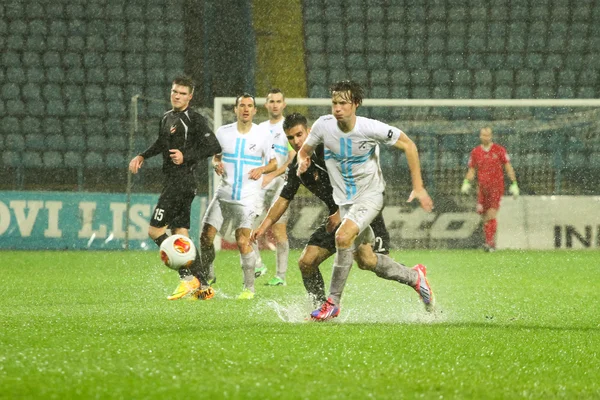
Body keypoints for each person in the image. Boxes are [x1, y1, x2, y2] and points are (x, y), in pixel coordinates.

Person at [296, 81, 435, 321]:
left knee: (342, 237)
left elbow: (409, 145)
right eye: (334, 103)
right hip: (346, 203)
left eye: (343, 103)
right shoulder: (322, 126)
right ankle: (415, 277)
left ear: (356, 104)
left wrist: (419, 187)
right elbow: (304, 150)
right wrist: (302, 160)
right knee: (367, 260)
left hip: (370, 197)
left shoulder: (370, 128)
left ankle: (332, 303)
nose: (337, 108)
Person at [251, 112, 393, 305]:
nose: (296, 141)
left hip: (362, 213)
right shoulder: (297, 168)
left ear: (309, 131)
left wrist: (340, 212)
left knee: (367, 262)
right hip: (336, 220)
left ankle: (414, 277)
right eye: (291, 138)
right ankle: (320, 308)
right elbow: (284, 199)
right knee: (306, 262)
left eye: (300, 135)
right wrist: (264, 226)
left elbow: (357, 182)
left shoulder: (330, 151)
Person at [128, 76, 221, 300]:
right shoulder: (167, 118)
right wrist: (143, 155)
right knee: (181, 234)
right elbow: (161, 143)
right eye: (174, 91)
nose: (176, 96)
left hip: (182, 182)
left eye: (181, 93)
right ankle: (204, 287)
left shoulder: (194, 119)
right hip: (175, 182)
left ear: (190, 96)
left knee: (155, 230)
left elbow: (213, 146)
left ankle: (187, 278)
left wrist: (186, 156)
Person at [198, 93, 277, 300]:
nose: (245, 109)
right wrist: (216, 164)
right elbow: (216, 158)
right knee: (205, 237)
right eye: (242, 105)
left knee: (243, 242)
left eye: (249, 106)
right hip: (224, 193)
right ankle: (207, 276)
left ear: (254, 110)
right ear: (235, 109)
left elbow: (274, 163)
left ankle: (249, 289)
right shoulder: (223, 132)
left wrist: (262, 169)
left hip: (248, 197)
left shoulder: (263, 134)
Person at [253, 88, 296, 286]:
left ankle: (281, 276)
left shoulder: (289, 127)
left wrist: (272, 175)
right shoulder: (259, 128)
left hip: (281, 183)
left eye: (279, 101)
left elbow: (292, 159)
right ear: (266, 104)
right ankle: (258, 264)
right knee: (247, 224)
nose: (275, 104)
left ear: (284, 104)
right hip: (261, 182)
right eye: (272, 101)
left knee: (279, 231)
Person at [461, 127, 519, 252]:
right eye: (483, 135)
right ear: (480, 136)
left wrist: (514, 183)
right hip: (482, 189)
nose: (485, 137)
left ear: (491, 136)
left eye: (487, 135)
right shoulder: (476, 152)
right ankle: (489, 243)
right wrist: (466, 182)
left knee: (491, 215)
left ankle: (489, 244)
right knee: (484, 217)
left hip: (496, 188)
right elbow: (472, 169)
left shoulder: (499, 150)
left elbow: (508, 167)